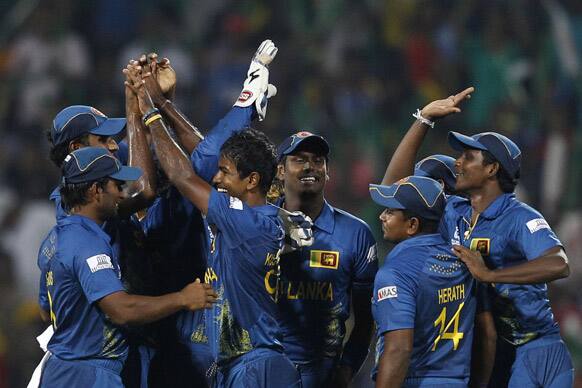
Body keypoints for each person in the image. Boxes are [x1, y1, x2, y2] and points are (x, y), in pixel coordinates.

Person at [125, 55, 306, 387]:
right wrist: (164, 104)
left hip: (256, 365)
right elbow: (203, 162)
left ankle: (247, 100)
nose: (217, 179)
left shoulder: (244, 222)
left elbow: (183, 175)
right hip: (239, 362)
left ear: (251, 181)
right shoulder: (250, 214)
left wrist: (149, 111)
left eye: (225, 173)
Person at [39, 147, 217, 387]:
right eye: (116, 186)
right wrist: (182, 299)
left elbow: (44, 309)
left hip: (64, 368)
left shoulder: (56, 238)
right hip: (87, 374)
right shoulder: (86, 244)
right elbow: (120, 310)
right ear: (95, 191)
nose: (122, 195)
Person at [443, 131, 574, 387]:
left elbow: (559, 263)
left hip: (537, 349)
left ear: (492, 168)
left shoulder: (519, 217)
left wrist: (490, 275)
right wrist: (424, 120)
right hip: (485, 352)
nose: (457, 162)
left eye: (468, 157)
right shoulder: (453, 212)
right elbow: (400, 190)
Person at [272, 131, 377, 387]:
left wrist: (347, 370)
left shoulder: (356, 234)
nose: (310, 166)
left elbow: (366, 320)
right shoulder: (256, 223)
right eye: (299, 159)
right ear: (280, 171)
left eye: (318, 160)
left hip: (321, 374)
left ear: (327, 171)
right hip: (261, 369)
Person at [369, 176, 485, 387]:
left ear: (412, 225)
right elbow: (488, 334)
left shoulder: (396, 272)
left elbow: (399, 349)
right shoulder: (465, 262)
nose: (382, 216)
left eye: (390, 212)